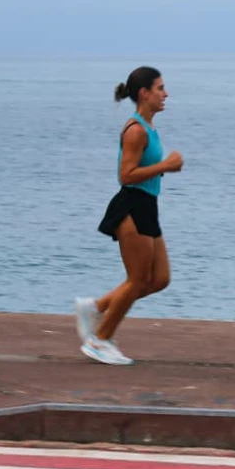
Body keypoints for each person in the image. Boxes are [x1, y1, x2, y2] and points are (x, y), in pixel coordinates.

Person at [73, 66, 183, 366]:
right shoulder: (135, 130)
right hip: (132, 207)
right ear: (144, 93)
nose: (166, 93)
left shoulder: (149, 128)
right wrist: (166, 166)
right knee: (136, 280)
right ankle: (100, 339)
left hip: (147, 205)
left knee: (159, 279)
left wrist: (164, 167)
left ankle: (96, 307)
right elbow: (126, 175)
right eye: (160, 88)